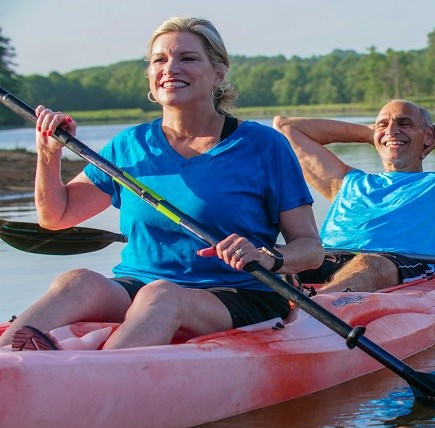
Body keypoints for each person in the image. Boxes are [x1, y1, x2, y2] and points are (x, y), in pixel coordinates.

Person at [0, 17, 324, 351]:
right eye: (159, 60)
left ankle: (94, 380)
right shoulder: (130, 145)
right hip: (137, 286)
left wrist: (267, 256)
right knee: (76, 282)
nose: (170, 68)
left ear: (218, 73)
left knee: (162, 296)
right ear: (151, 78)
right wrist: (48, 152)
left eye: (187, 58)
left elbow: (311, 249)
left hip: (237, 292)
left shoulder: (264, 145)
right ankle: (7, 363)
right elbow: (56, 216)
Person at [273, 100, 435, 293]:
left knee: (371, 264)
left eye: (404, 123)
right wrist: (374, 134)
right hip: (324, 257)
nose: (392, 130)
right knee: (267, 253)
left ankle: (315, 307)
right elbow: (285, 127)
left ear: (426, 135)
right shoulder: (343, 181)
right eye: (383, 124)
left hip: (395, 265)